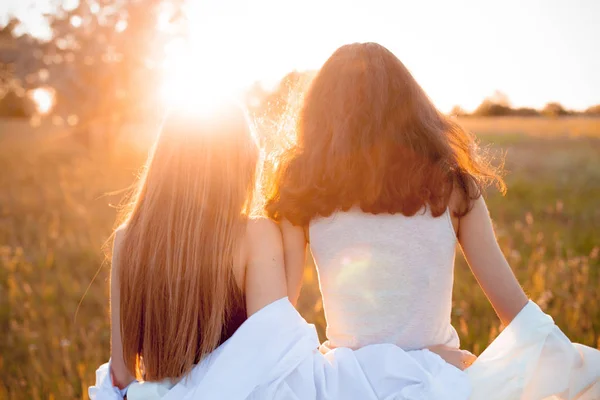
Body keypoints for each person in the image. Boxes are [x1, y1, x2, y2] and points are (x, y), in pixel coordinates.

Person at [265, 42, 600, 398]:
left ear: (321, 114)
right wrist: (572, 367)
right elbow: (516, 313)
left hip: (345, 383)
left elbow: (279, 321)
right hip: (441, 380)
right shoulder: (454, 187)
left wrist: (326, 361)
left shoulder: (302, 192)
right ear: (411, 107)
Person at [106, 102, 288, 394]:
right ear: (240, 160)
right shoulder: (256, 236)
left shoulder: (127, 240)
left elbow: (121, 374)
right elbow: (274, 359)